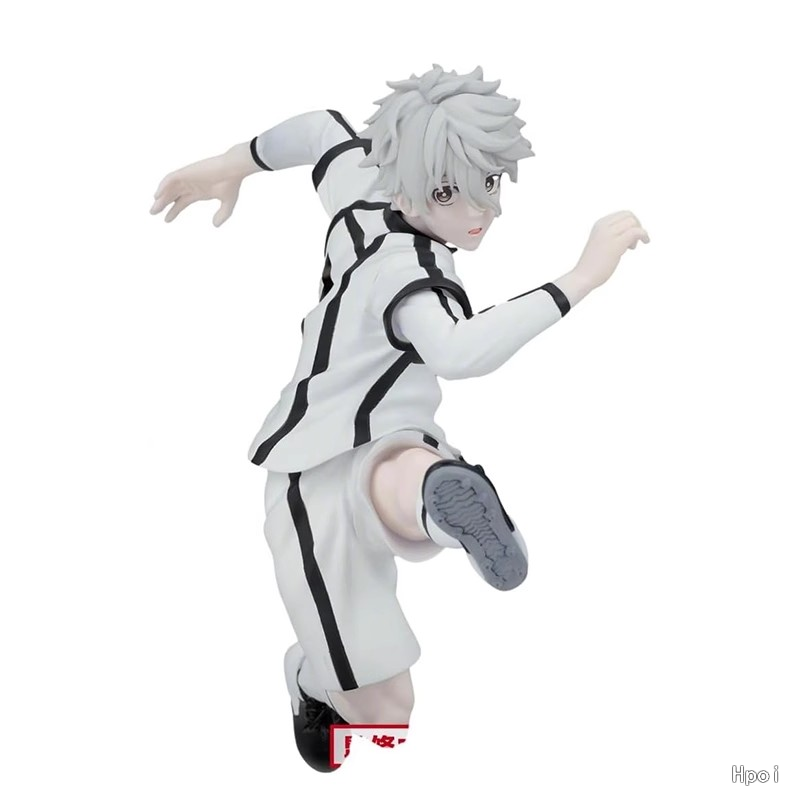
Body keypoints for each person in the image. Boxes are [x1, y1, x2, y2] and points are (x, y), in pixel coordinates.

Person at [151, 64, 650, 772]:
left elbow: (320, 131)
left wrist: (230, 165)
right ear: (413, 185)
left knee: (404, 465)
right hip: (308, 476)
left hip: (389, 438)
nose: (478, 210)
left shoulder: (368, 181)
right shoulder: (411, 278)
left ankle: (440, 503)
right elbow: (456, 351)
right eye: (449, 192)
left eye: (488, 182)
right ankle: (311, 674)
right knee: (387, 713)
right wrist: (580, 279)